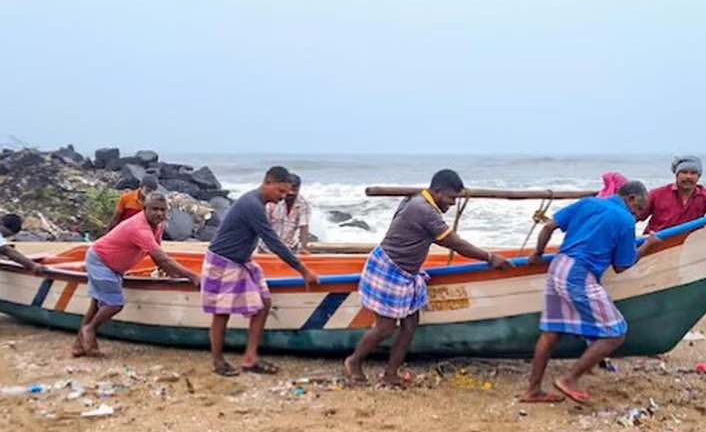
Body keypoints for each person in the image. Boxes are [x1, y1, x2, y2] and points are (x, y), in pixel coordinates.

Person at [343, 169, 511, 387]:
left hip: (407, 273)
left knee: (410, 325)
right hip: (389, 270)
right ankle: (353, 361)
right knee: (385, 327)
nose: (451, 204)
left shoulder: (416, 200)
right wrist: (489, 257)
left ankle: (391, 373)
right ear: (438, 191)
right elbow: (454, 242)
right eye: (451, 198)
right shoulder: (424, 210)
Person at [521, 181, 662, 404]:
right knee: (615, 333)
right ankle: (569, 378)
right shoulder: (624, 220)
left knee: (551, 331)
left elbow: (548, 226)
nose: (636, 215)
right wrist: (648, 246)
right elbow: (621, 265)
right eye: (638, 210)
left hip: (558, 265)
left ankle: (533, 390)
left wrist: (537, 254)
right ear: (631, 199)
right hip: (579, 274)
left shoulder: (588, 203)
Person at [202, 166, 319, 377]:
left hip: (242, 261)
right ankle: (217, 362)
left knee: (264, 303)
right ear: (268, 183)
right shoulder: (252, 204)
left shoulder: (260, 203)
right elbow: (274, 242)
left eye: (286, 193)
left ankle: (250, 357)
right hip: (223, 262)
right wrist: (303, 271)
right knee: (221, 315)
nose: (283, 197)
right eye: (280, 192)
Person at [73, 192, 200, 357]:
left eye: (163, 210)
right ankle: (89, 329)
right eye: (154, 209)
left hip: (112, 264)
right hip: (101, 261)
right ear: (144, 209)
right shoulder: (139, 228)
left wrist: (166, 271)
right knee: (114, 304)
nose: (159, 214)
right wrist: (193, 276)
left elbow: (157, 251)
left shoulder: (158, 225)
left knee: (97, 304)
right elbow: (162, 257)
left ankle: (78, 345)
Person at [640, 155, 706, 233]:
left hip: (687, 245)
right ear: (677, 175)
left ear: (698, 176)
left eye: (693, 173)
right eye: (684, 172)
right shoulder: (656, 194)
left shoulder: (705, 196)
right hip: (653, 244)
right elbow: (635, 216)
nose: (688, 176)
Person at [258, 173, 312, 254]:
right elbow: (263, 225)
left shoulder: (304, 204)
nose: (291, 193)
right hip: (267, 248)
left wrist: (304, 248)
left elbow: (304, 226)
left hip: (290, 248)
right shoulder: (272, 200)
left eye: (295, 190)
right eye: (289, 190)